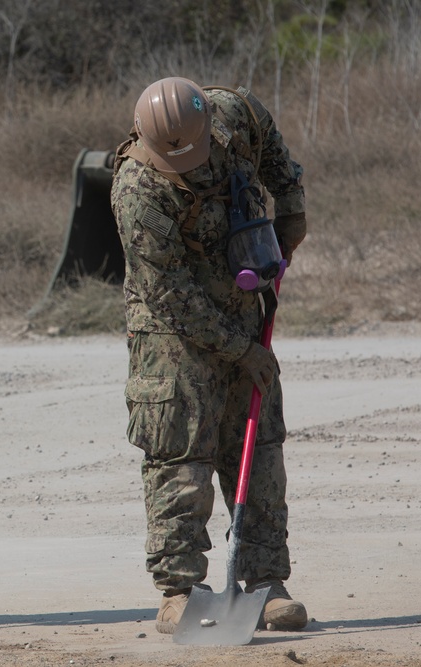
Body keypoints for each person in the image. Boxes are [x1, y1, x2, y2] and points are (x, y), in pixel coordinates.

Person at [110, 76, 308, 635]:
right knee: (181, 460)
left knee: (259, 447)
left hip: (245, 308)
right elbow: (168, 293)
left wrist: (290, 205)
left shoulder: (231, 111)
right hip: (171, 336)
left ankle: (266, 583)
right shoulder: (137, 193)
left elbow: (273, 151)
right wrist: (238, 349)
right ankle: (180, 590)